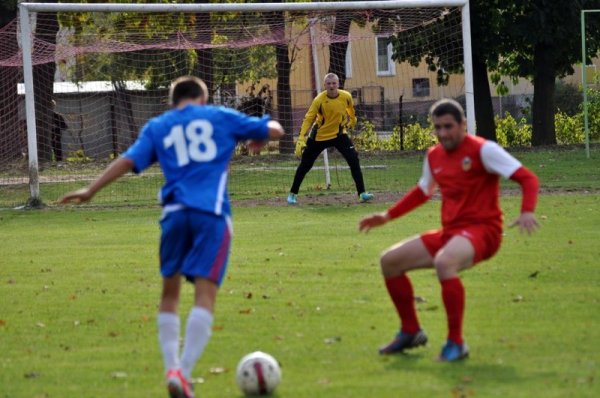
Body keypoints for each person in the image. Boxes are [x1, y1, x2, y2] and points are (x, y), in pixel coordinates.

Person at [60, 76, 284, 398]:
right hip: (212, 215)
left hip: (175, 215)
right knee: (204, 297)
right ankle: (185, 372)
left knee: (170, 295)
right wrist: (260, 137)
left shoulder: (159, 126)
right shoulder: (219, 116)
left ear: (173, 101)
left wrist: (90, 190)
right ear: (202, 99)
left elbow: (127, 160)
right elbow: (275, 130)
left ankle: (171, 369)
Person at [359, 98, 539, 362]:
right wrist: (387, 216)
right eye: (437, 128)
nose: (443, 133)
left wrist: (526, 211)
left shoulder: (483, 150)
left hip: (484, 231)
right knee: (390, 261)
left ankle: (456, 343)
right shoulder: (434, 155)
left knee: (445, 262)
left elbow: (528, 178)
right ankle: (410, 331)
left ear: (463, 124)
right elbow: (423, 191)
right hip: (451, 233)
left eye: (448, 127)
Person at [287, 73, 373, 204]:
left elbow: (350, 109)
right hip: (319, 137)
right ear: (325, 85)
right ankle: (292, 194)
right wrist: (301, 138)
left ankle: (362, 194)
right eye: (329, 83)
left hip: (339, 135)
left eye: (334, 83)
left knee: (353, 159)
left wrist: (353, 119)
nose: (332, 86)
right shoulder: (319, 100)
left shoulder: (346, 96)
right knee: (305, 165)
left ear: (338, 84)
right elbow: (308, 118)